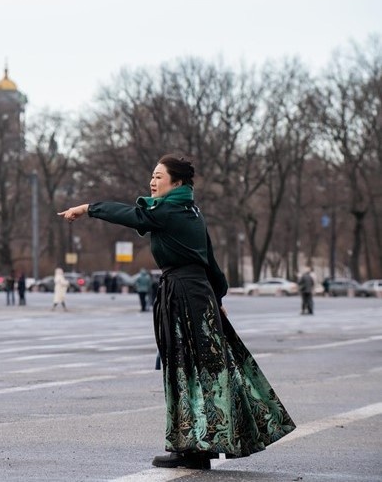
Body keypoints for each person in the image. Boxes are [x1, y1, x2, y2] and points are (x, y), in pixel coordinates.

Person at [59, 154, 295, 470]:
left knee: (186, 369)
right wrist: (218, 294)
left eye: (159, 176)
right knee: (199, 370)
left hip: (184, 294)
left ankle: (194, 448)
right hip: (196, 293)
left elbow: (133, 216)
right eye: (152, 176)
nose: (153, 181)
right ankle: (197, 445)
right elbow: (210, 261)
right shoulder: (191, 211)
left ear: (177, 182)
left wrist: (88, 208)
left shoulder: (168, 210)